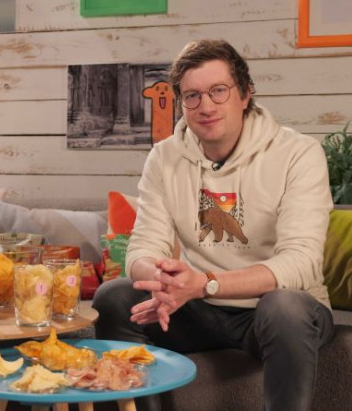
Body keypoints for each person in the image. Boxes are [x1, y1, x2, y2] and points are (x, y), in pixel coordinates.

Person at [93, 39, 335, 411]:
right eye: (192, 96)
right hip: (198, 308)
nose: (205, 106)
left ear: (245, 93)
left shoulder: (298, 153)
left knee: (284, 307)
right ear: (181, 103)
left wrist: (205, 283)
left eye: (218, 91)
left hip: (274, 312)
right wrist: (165, 280)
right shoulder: (164, 158)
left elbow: (301, 263)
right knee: (114, 298)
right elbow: (142, 248)